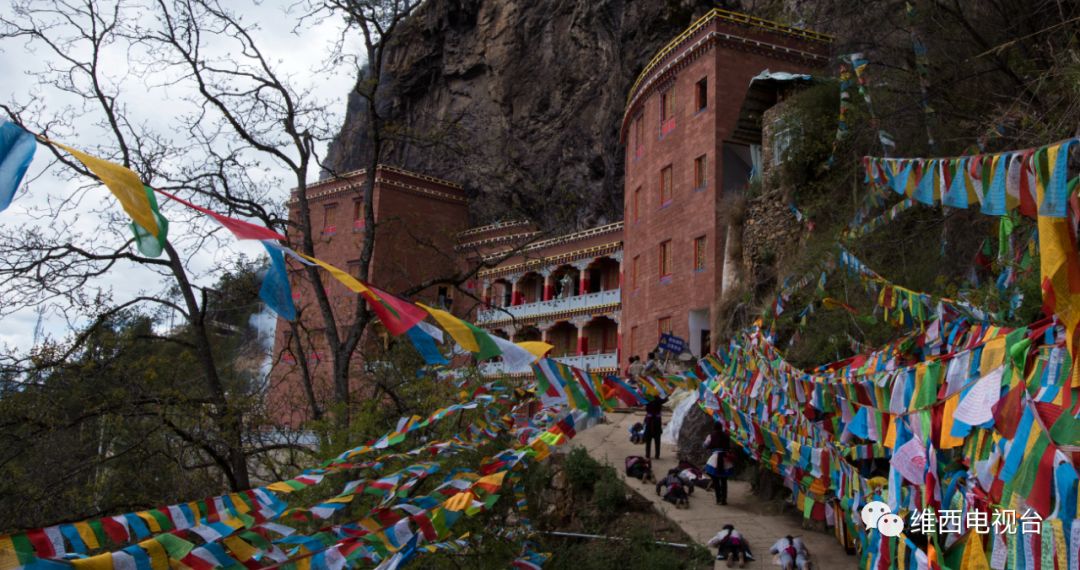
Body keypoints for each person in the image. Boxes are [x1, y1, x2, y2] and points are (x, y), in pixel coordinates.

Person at [704, 420, 733, 505]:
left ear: (714, 428)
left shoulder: (711, 436)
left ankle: (718, 499)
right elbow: (729, 446)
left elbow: (705, 445)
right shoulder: (727, 435)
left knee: (716, 480)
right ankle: (724, 499)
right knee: (724, 481)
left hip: (714, 459)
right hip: (725, 459)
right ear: (721, 427)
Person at [642, 393, 668, 459]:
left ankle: (647, 454)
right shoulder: (659, 399)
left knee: (648, 440)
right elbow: (665, 400)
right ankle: (657, 455)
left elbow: (642, 401)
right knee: (657, 440)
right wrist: (667, 395)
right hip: (657, 421)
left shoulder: (647, 399)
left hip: (649, 421)